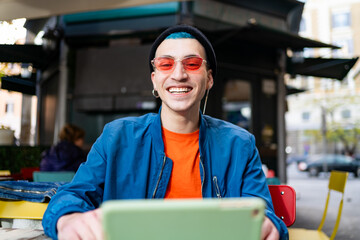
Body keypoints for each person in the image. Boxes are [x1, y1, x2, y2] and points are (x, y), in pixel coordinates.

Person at [42, 25, 288, 240]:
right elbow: (72, 195)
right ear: (154, 79)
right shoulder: (116, 137)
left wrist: (268, 225)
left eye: (192, 64)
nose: (178, 74)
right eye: (166, 64)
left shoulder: (239, 145)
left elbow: (263, 210)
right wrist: (68, 219)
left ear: (209, 79)